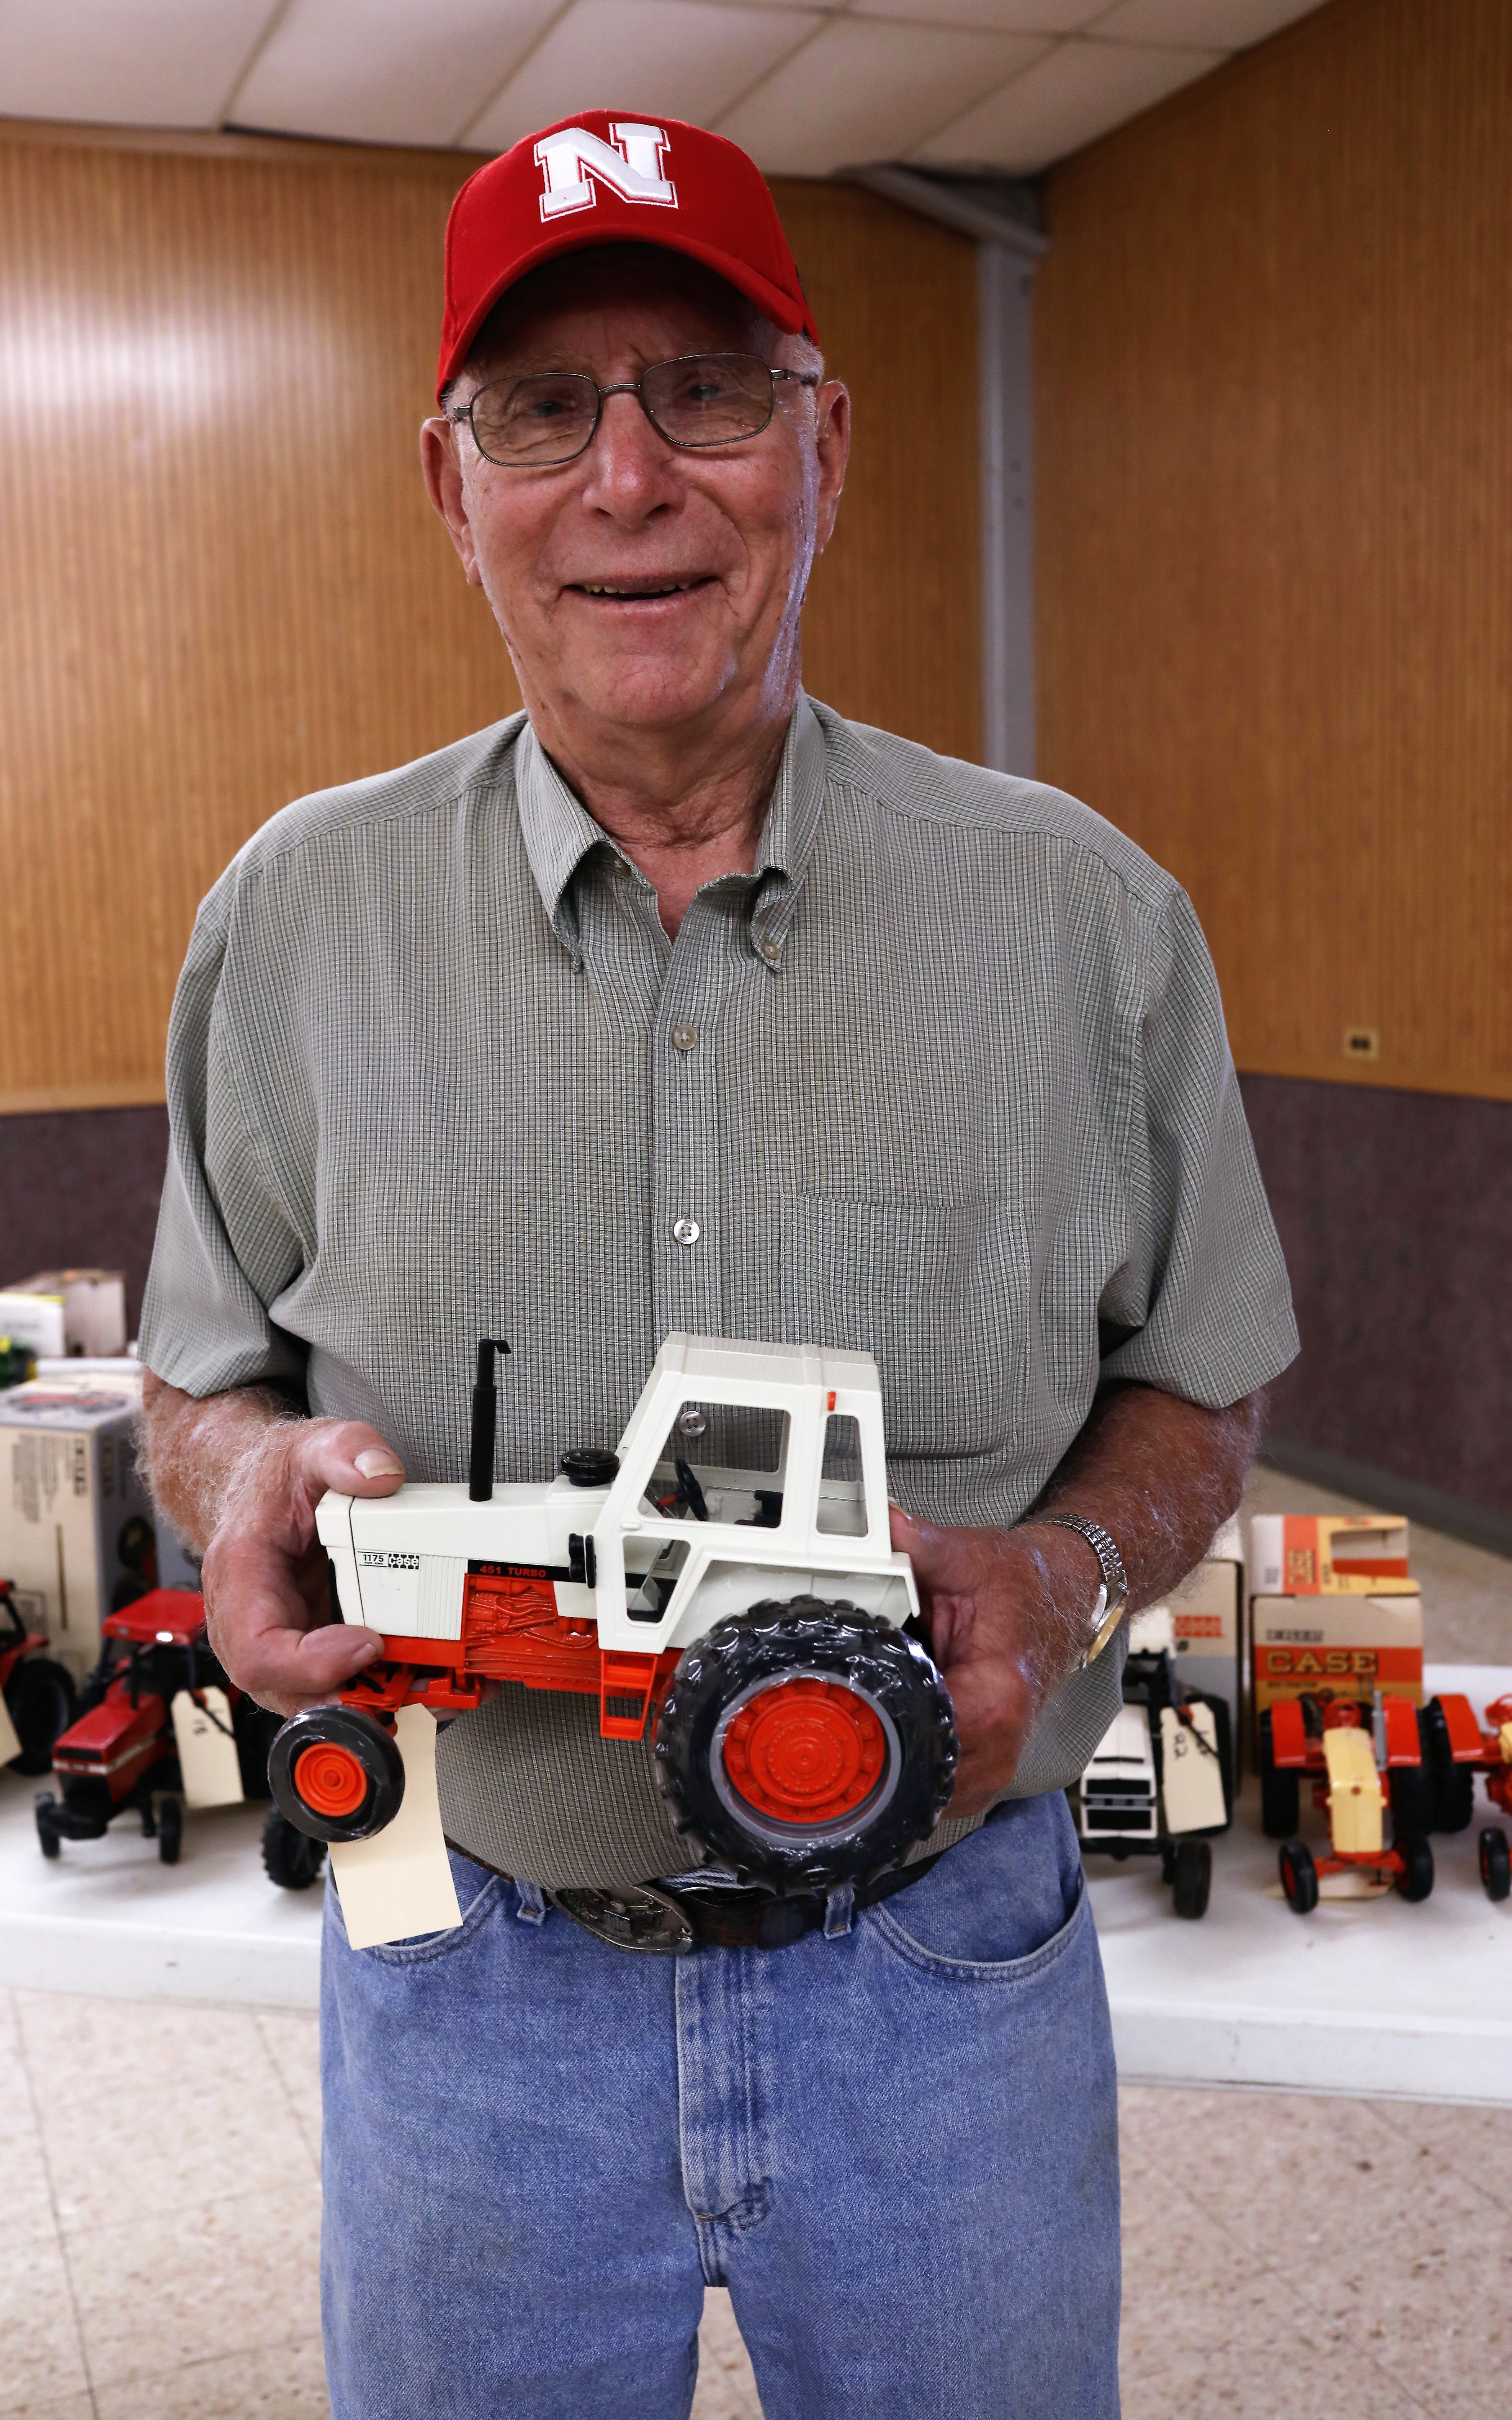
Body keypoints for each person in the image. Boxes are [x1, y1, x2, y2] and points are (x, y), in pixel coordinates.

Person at [140, 112, 1297, 2420]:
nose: (630, 478)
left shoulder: (1085, 924)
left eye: (708, 388)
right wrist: (242, 1490)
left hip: (940, 1982)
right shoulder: (295, 920)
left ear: (826, 446)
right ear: (449, 488)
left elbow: (1199, 1395)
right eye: (543, 409)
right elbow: (201, 1382)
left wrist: (1068, 1571)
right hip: (462, 1978)